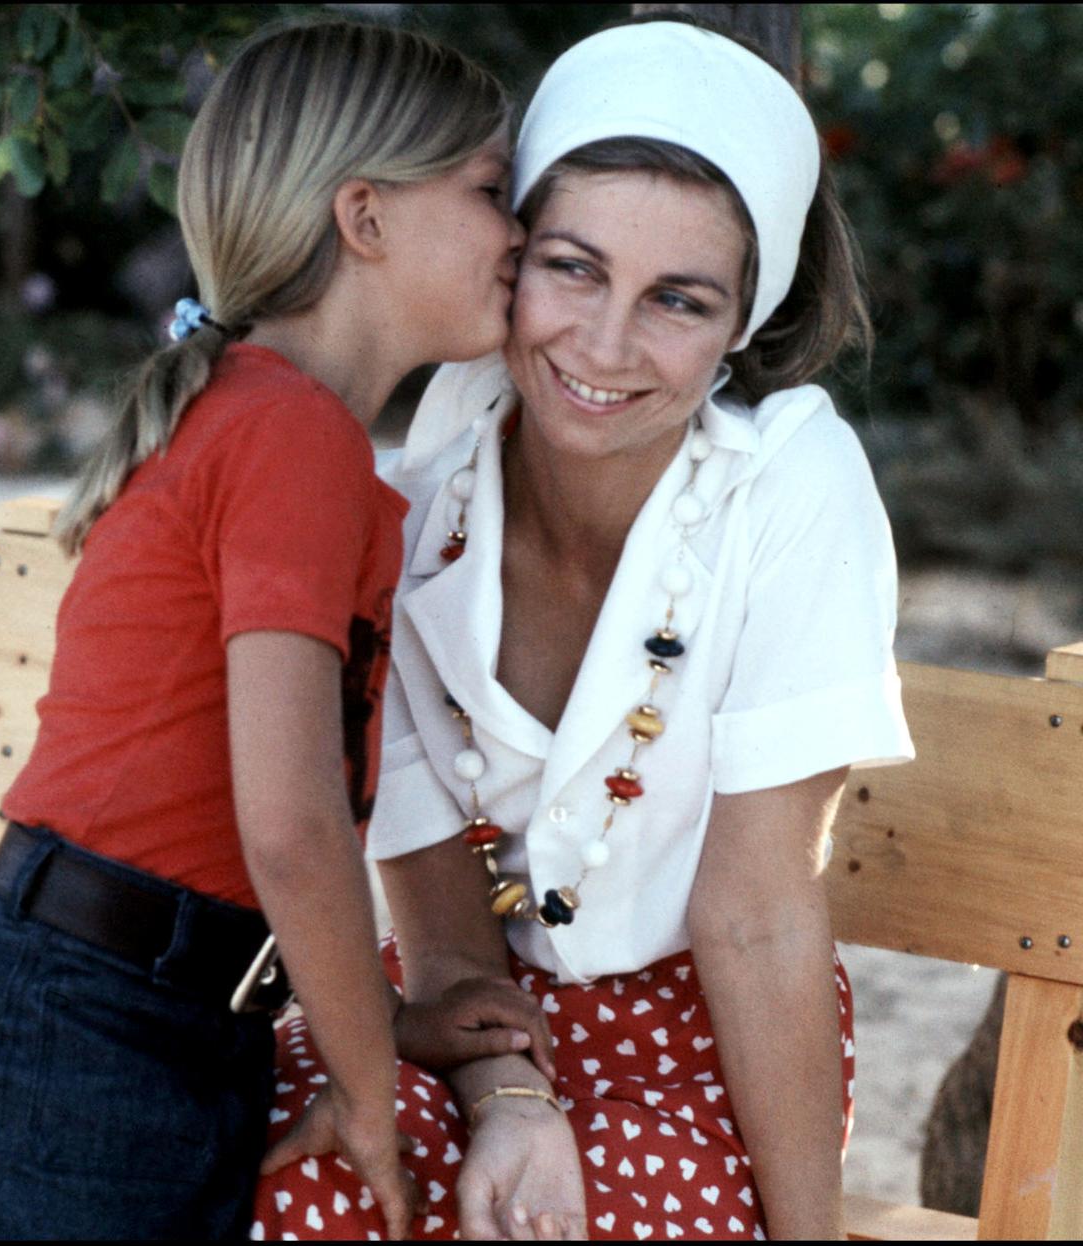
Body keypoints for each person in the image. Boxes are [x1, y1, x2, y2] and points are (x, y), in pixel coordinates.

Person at [255, 15, 914, 1242]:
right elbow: (432, 902)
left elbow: (759, 914)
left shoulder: (791, 490)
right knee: (300, 1186)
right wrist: (508, 1097)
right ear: (510, 254)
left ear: (745, 320)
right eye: (572, 267)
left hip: (704, 1024)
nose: (604, 346)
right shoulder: (417, 487)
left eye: (678, 299)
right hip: (453, 1004)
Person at [0, 18, 549, 1241]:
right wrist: (367, 1094)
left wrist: (378, 1022)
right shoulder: (287, 433)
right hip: (71, 1054)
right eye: (490, 191)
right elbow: (292, 822)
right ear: (365, 217)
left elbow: (230, 838)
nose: (521, 233)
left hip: (155, 1027)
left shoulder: (283, 425)